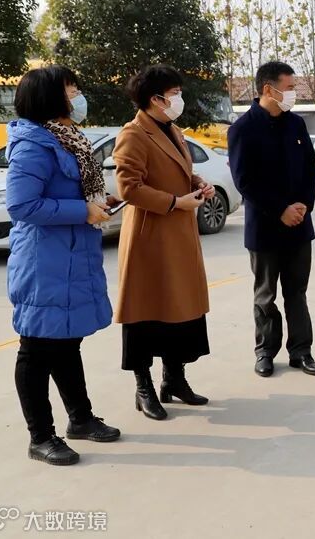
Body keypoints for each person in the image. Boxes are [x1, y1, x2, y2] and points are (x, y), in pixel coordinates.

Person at [6, 66, 122, 465]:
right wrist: (81, 210)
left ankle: (81, 419)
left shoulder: (68, 138)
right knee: (36, 348)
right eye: (70, 90)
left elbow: (73, 190)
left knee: (67, 341)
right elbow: (22, 205)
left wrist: (97, 202)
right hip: (44, 261)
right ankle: (40, 436)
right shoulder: (33, 145)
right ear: (49, 98)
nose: (77, 97)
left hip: (72, 254)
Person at [113, 65, 214, 420]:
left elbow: (179, 172)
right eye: (174, 94)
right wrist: (174, 202)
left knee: (180, 312)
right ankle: (144, 387)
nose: (179, 99)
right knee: (145, 314)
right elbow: (129, 188)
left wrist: (198, 183)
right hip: (150, 237)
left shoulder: (173, 129)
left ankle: (174, 379)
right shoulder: (133, 134)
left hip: (179, 233)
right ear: (155, 99)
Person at [229, 61, 315, 378]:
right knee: (265, 295)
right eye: (290, 87)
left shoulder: (296, 124)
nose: (294, 93)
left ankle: (301, 351)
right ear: (268, 89)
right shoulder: (243, 129)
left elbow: (311, 169)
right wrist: (281, 209)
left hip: (299, 225)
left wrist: (303, 206)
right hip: (265, 227)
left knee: (297, 292)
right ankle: (265, 351)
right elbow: (245, 181)